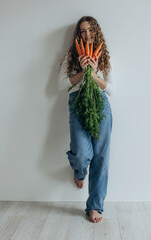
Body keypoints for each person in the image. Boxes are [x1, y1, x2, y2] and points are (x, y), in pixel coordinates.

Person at [58, 16, 115, 223]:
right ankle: (79, 171)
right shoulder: (71, 56)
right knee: (82, 154)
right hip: (77, 102)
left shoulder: (105, 56)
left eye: (90, 30)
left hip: (100, 105)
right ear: (78, 34)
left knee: (101, 156)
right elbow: (59, 86)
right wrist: (83, 72)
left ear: (96, 31)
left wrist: (94, 75)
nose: (87, 34)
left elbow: (111, 89)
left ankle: (95, 206)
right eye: (83, 31)